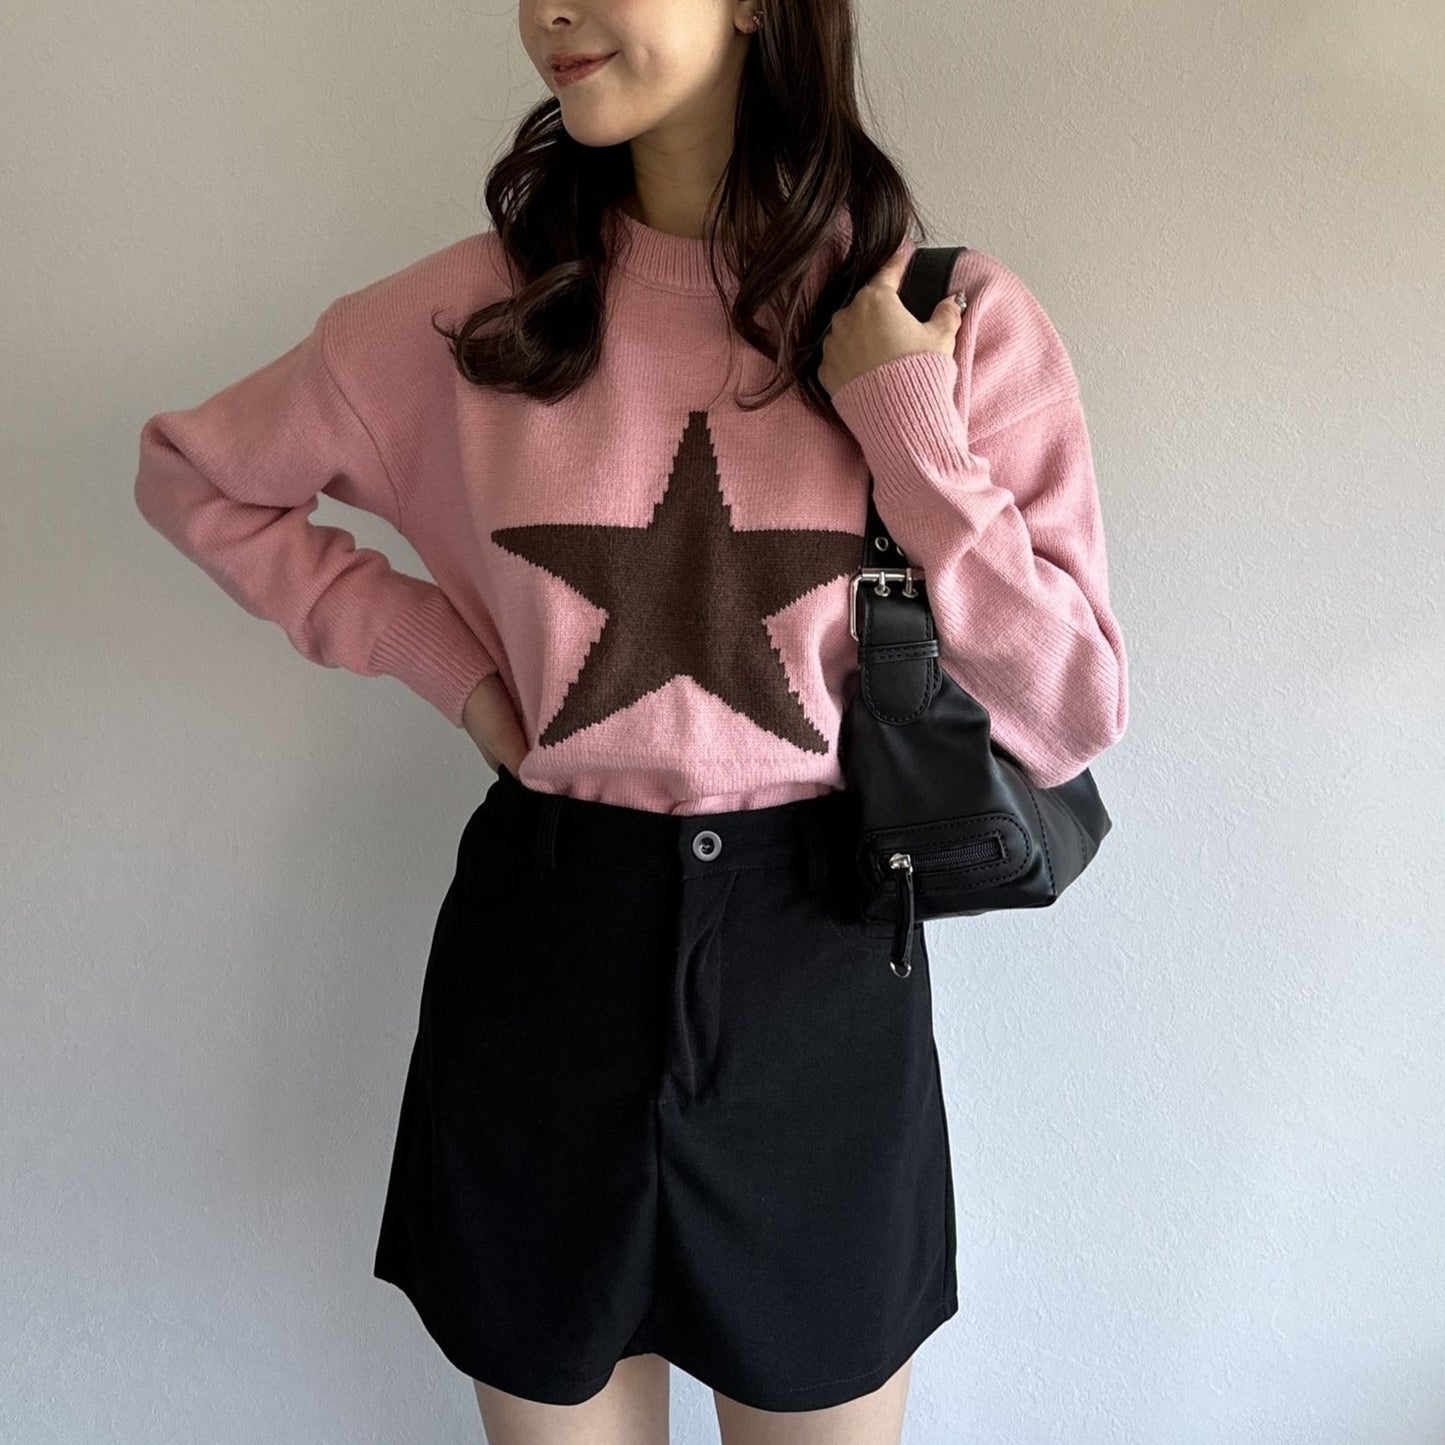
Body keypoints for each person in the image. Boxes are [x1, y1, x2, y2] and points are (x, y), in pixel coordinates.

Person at [133, 0, 1129, 1439]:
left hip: (821, 975)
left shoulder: (938, 321)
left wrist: (910, 428)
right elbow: (197, 479)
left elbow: (1072, 705)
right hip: (546, 964)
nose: (548, 8)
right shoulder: (467, 316)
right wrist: (451, 667)